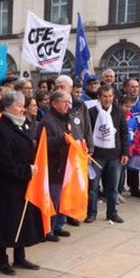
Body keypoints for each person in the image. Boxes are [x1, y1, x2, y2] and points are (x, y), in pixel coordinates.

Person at [0, 91, 43, 275]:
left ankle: (19, 255)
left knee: (22, 220)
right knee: (5, 221)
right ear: (8, 108)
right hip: (7, 185)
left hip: (23, 183)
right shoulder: (1, 130)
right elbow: (3, 162)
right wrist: (26, 171)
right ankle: (2, 259)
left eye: (22, 106)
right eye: (19, 106)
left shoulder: (22, 125)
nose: (22, 109)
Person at [37, 90, 89, 240]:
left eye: (69, 102)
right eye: (65, 102)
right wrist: (62, 140)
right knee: (53, 199)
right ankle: (48, 230)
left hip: (67, 166)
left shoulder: (66, 119)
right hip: (55, 167)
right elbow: (44, 144)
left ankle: (58, 226)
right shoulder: (47, 121)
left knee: (63, 198)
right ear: (54, 103)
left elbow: (74, 136)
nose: (68, 105)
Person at [85, 85, 128, 223]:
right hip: (96, 155)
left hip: (114, 155)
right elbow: (87, 134)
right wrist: (88, 153)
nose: (108, 99)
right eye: (105, 96)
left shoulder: (119, 112)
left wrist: (125, 152)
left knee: (113, 187)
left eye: (110, 96)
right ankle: (91, 213)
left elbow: (124, 133)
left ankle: (112, 213)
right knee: (93, 187)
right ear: (99, 97)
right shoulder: (91, 112)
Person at [122, 79, 140, 197]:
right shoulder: (121, 101)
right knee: (121, 165)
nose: (135, 89)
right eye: (132, 87)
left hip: (137, 136)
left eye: (137, 86)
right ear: (126, 88)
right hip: (124, 138)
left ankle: (134, 187)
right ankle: (119, 187)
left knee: (134, 164)